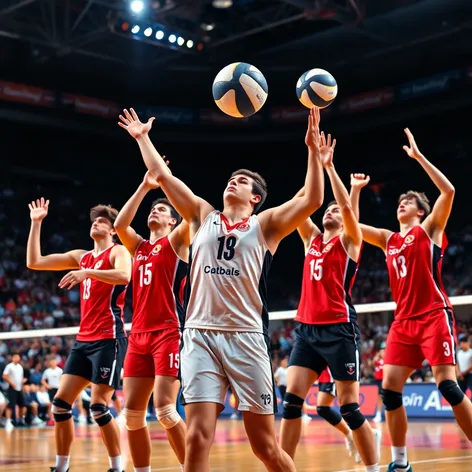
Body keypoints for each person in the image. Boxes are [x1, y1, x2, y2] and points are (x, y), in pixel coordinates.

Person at [118, 106, 324, 472]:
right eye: (232, 178)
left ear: (255, 197)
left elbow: (311, 201)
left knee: (265, 448)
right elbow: (163, 177)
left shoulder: (266, 225)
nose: (234, 181)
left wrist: (312, 150)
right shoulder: (201, 215)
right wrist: (143, 138)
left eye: (243, 181)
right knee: (197, 438)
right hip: (200, 337)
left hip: (246, 338)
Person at [355, 128, 472, 472]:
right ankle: (402, 462)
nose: (401, 204)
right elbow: (352, 224)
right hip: (403, 323)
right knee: (389, 392)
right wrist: (353, 190)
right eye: (399, 202)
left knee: (448, 387)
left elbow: (448, 190)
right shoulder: (388, 238)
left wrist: (419, 157)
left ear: (421, 212)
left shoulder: (429, 230)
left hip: (434, 315)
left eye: (408, 202)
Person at [279, 133, 380, 472]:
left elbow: (348, 207)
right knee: (291, 403)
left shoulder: (350, 241)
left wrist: (330, 166)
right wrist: (311, 154)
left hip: (338, 329)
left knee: (349, 408)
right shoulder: (311, 239)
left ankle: (372, 467)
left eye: (335, 209)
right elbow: (301, 202)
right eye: (329, 209)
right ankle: (284, 466)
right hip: (306, 330)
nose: (330, 211)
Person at [26, 199, 131, 472]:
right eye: (94, 220)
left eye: (102, 221)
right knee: (59, 405)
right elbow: (34, 262)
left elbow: (124, 276)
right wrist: (36, 223)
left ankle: (117, 468)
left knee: (98, 407)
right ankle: (61, 467)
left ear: (113, 231)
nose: (95, 222)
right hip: (84, 341)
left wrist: (87, 272)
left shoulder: (118, 251)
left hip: (109, 339)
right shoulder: (81, 256)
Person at [114, 170, 189, 472]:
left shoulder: (176, 240)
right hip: (138, 335)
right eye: (152, 209)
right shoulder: (138, 247)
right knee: (132, 416)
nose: (154, 211)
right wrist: (145, 185)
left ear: (172, 221)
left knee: (166, 411)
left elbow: (189, 212)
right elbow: (120, 224)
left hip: (168, 332)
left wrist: (165, 181)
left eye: (161, 210)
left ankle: (193, 467)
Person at [316, 367, 360, 462]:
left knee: (348, 409)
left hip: (332, 372)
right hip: (321, 374)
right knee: (323, 408)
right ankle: (351, 435)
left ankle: (356, 437)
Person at [372, 342, 385, 423]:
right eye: (382, 350)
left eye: (384, 350)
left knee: (384, 397)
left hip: (385, 380)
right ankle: (379, 414)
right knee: (379, 397)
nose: (383, 351)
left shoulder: (387, 359)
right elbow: (373, 362)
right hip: (379, 380)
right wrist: (378, 354)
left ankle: (381, 414)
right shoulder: (378, 360)